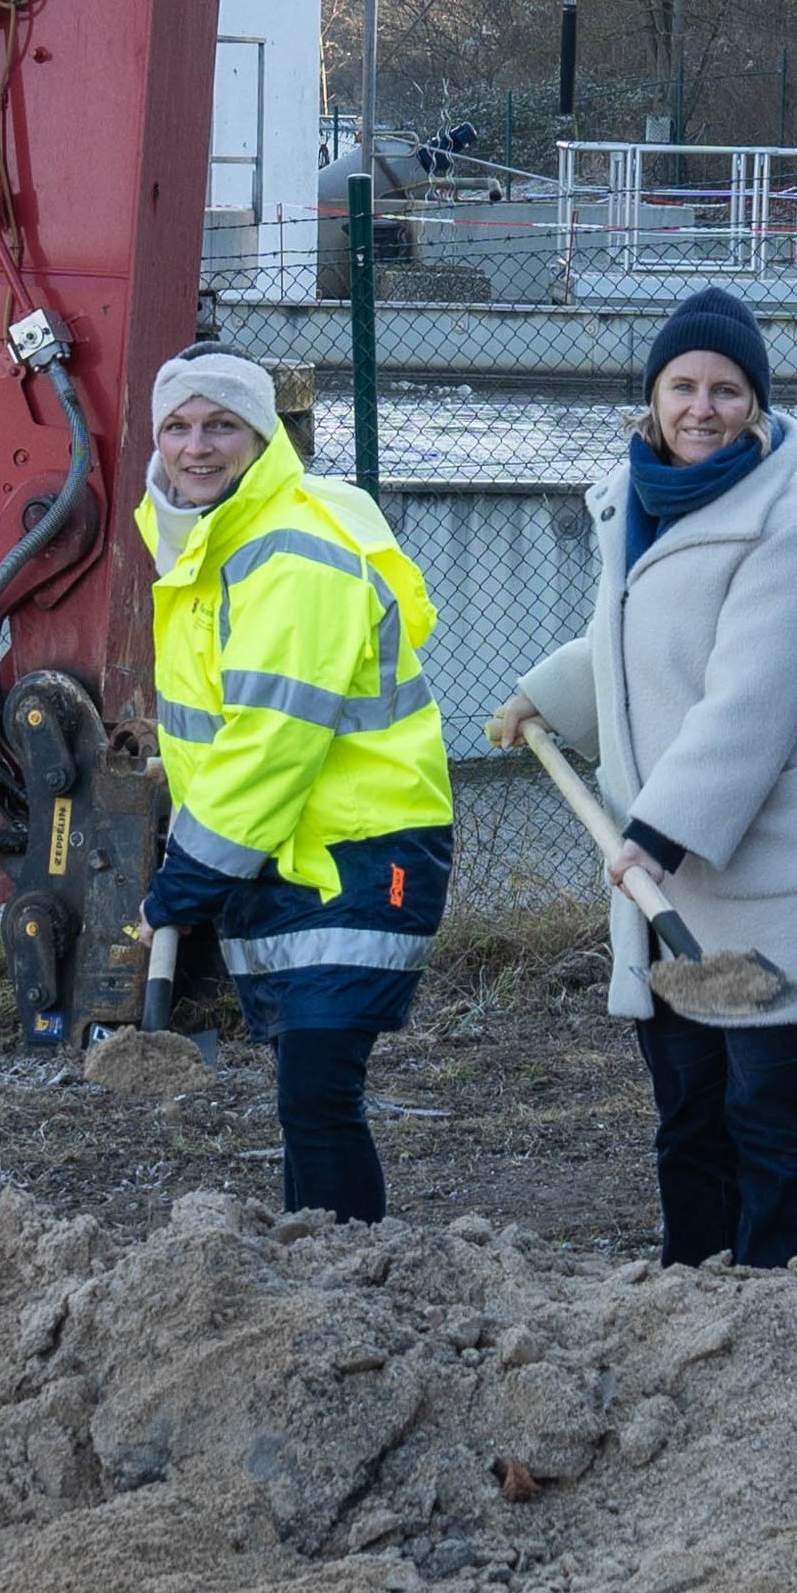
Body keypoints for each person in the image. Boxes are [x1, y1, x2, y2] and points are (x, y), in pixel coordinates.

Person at [491, 288, 797, 1269]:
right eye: (683, 385)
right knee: (688, 1115)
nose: (701, 408)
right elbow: (629, 642)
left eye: (726, 389)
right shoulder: (633, 502)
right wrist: (551, 696)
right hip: (665, 868)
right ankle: (694, 1296)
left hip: (777, 869)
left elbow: (747, 707)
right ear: (655, 395)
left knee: (771, 1112)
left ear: (755, 404)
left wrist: (658, 833)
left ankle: (779, 1305)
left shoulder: (790, 536)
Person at [136, 348, 454, 1225]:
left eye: (221, 426)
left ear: (264, 433)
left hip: (359, 849)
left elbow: (276, 737)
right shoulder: (215, 542)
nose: (197, 447)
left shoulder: (289, 550)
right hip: (289, 851)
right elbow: (232, 720)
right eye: (178, 427)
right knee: (305, 1096)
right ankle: (318, 1268)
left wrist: (190, 877)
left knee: (318, 1088)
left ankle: (349, 1274)